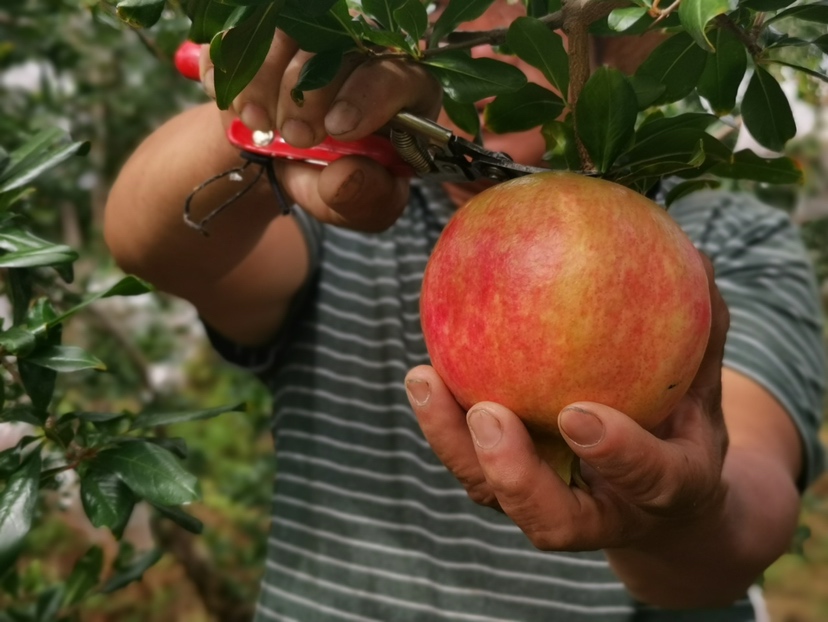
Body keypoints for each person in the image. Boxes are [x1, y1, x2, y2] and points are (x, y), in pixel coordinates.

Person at [104, 1, 826, 620]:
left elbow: (746, 522)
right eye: (450, 51)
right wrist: (280, 114)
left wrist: (677, 520)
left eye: (501, 51)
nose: (470, 99)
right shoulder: (351, 217)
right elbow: (148, 243)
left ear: (590, 49)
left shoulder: (724, 242)